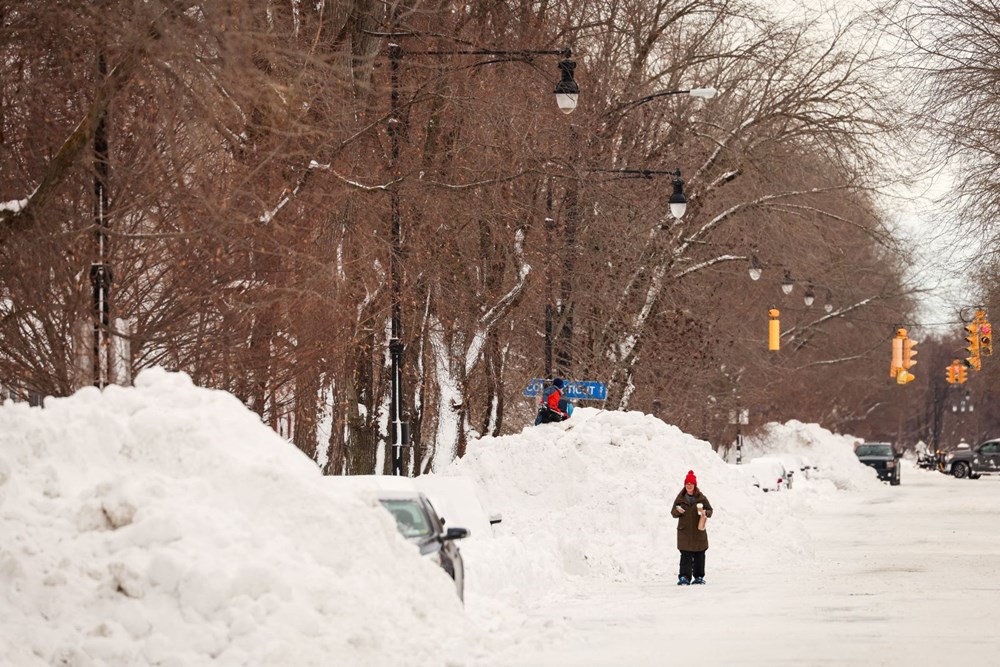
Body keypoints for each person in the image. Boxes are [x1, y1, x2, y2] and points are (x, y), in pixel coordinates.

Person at [670, 470, 713, 585]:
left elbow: (710, 510)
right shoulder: (680, 498)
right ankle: (684, 577)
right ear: (685, 485)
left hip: (698, 530)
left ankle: (699, 577)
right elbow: (673, 513)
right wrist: (678, 511)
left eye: (691, 484)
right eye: (687, 484)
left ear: (695, 485)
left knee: (699, 554)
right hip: (684, 532)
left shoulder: (701, 498)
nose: (689, 486)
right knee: (685, 555)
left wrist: (705, 512)